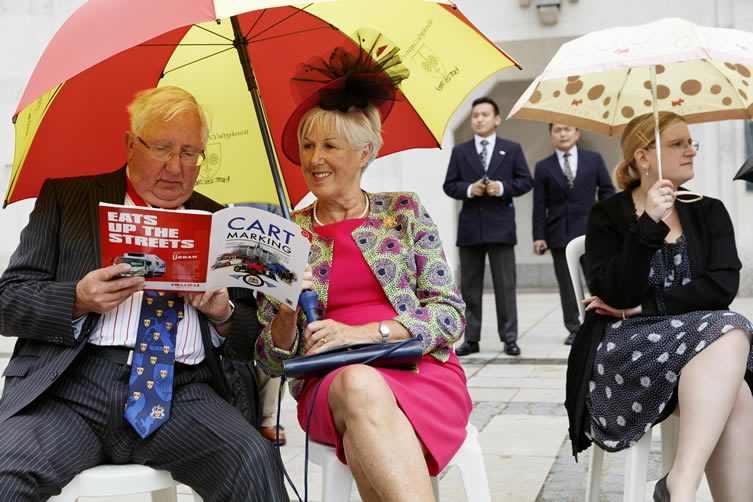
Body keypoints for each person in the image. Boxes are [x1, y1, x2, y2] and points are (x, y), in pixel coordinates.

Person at [0, 86, 286, 501]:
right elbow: (8, 301)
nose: (175, 167)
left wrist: (223, 314)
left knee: (253, 461)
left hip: (184, 392)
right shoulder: (68, 199)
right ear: (131, 145)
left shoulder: (223, 222)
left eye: (190, 153)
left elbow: (248, 344)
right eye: (162, 148)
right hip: (73, 391)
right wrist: (78, 299)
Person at [256, 58, 472, 501]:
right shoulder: (287, 234)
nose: (314, 159)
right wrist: (284, 310)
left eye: (330, 146)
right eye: (307, 145)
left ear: (365, 153)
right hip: (329, 381)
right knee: (358, 383)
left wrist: (360, 334)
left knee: (365, 427)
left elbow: (449, 316)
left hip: (419, 368)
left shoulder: (403, 210)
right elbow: (271, 361)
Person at [564, 111, 753, 502]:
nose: (690, 151)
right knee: (731, 336)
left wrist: (648, 306)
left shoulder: (709, 210)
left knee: (732, 358)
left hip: (702, 344)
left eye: (691, 142)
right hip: (627, 349)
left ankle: (679, 484)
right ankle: (680, 486)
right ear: (643, 157)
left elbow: (722, 286)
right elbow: (614, 293)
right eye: (677, 143)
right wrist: (649, 223)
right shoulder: (608, 215)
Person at [443, 96, 533, 356]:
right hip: (470, 228)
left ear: (496, 119)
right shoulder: (461, 151)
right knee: (470, 287)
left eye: (484, 114)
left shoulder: (512, 149)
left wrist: (501, 187)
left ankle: (509, 338)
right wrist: (470, 189)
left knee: (506, 286)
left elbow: (525, 181)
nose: (479, 119)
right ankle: (471, 338)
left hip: (501, 228)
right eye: (475, 115)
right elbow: (449, 185)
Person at [532, 123, 615, 345]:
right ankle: (574, 327)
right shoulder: (543, 167)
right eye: (557, 130)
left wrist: (608, 221)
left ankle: (602, 322)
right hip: (558, 234)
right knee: (567, 285)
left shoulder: (594, 159)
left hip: (593, 233)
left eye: (567, 129)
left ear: (577, 132)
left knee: (597, 280)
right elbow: (539, 205)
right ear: (550, 136)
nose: (563, 133)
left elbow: (607, 190)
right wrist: (538, 236)